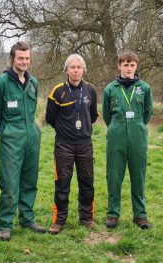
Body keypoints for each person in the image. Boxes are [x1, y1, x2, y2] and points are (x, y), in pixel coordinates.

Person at [0, 42, 46, 241]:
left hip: (31, 134)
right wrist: (6, 130)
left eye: (27, 58)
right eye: (20, 58)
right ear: (12, 58)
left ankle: (27, 218)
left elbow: (32, 110)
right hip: (11, 136)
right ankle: (5, 224)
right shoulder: (2, 82)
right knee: (10, 181)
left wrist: (32, 130)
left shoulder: (33, 82)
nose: (24, 61)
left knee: (30, 179)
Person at [46, 53, 98, 234]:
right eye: (72, 67)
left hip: (85, 144)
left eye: (79, 67)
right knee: (62, 182)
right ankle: (59, 220)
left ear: (84, 70)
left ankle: (86, 218)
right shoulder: (58, 91)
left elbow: (92, 116)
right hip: (64, 145)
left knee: (87, 181)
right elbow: (50, 118)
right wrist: (65, 131)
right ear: (66, 70)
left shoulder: (90, 89)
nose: (76, 71)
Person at [103, 51, 153, 230]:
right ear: (119, 66)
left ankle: (140, 215)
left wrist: (136, 126)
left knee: (138, 175)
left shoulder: (145, 88)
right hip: (116, 136)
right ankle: (112, 214)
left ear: (136, 66)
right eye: (125, 65)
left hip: (137, 136)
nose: (129, 68)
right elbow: (107, 115)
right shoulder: (110, 89)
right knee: (114, 176)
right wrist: (117, 127)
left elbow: (148, 113)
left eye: (132, 65)